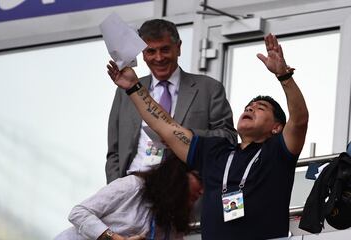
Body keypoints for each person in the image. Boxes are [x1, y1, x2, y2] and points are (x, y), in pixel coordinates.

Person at [107, 33, 309, 239]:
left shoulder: (278, 151)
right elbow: (165, 127)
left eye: (261, 108)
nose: (251, 107)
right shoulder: (215, 151)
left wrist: (284, 76)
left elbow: (300, 120)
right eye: (249, 106)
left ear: (276, 127)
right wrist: (134, 87)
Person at [105, 19, 237, 183]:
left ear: (179, 48)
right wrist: (115, 187)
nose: (159, 58)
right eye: (151, 51)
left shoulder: (209, 88)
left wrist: (182, 136)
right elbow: (114, 151)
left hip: (182, 190)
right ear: (143, 54)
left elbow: (228, 138)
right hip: (133, 186)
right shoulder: (126, 90)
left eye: (165, 49)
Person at [55, 153, 203, 240]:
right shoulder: (134, 186)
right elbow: (78, 213)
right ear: (177, 175)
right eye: (200, 179)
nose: (203, 191)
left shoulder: (175, 222)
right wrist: (113, 238)